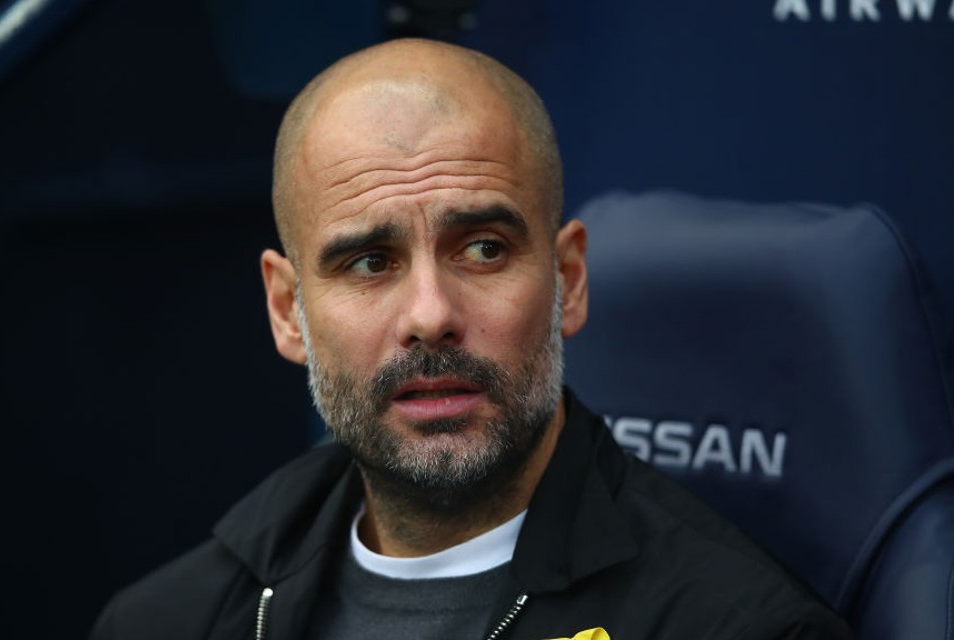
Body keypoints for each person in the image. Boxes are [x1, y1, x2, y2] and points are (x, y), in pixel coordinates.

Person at [90, 38, 852, 640]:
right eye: (369, 261)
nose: (430, 313)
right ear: (289, 312)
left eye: (483, 248)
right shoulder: (166, 620)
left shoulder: (743, 626)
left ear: (568, 281)